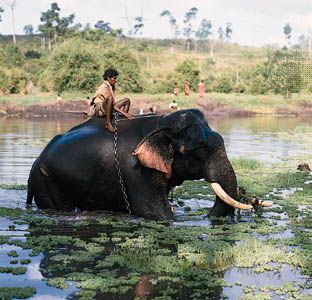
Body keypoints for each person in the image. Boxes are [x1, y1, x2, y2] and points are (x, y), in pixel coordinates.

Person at [91, 68, 134, 133]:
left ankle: (122, 120)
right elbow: (109, 101)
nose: (115, 80)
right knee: (110, 98)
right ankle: (108, 123)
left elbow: (112, 104)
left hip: (109, 106)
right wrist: (124, 113)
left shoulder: (111, 86)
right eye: (114, 78)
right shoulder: (104, 87)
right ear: (108, 78)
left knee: (127, 100)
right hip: (99, 109)